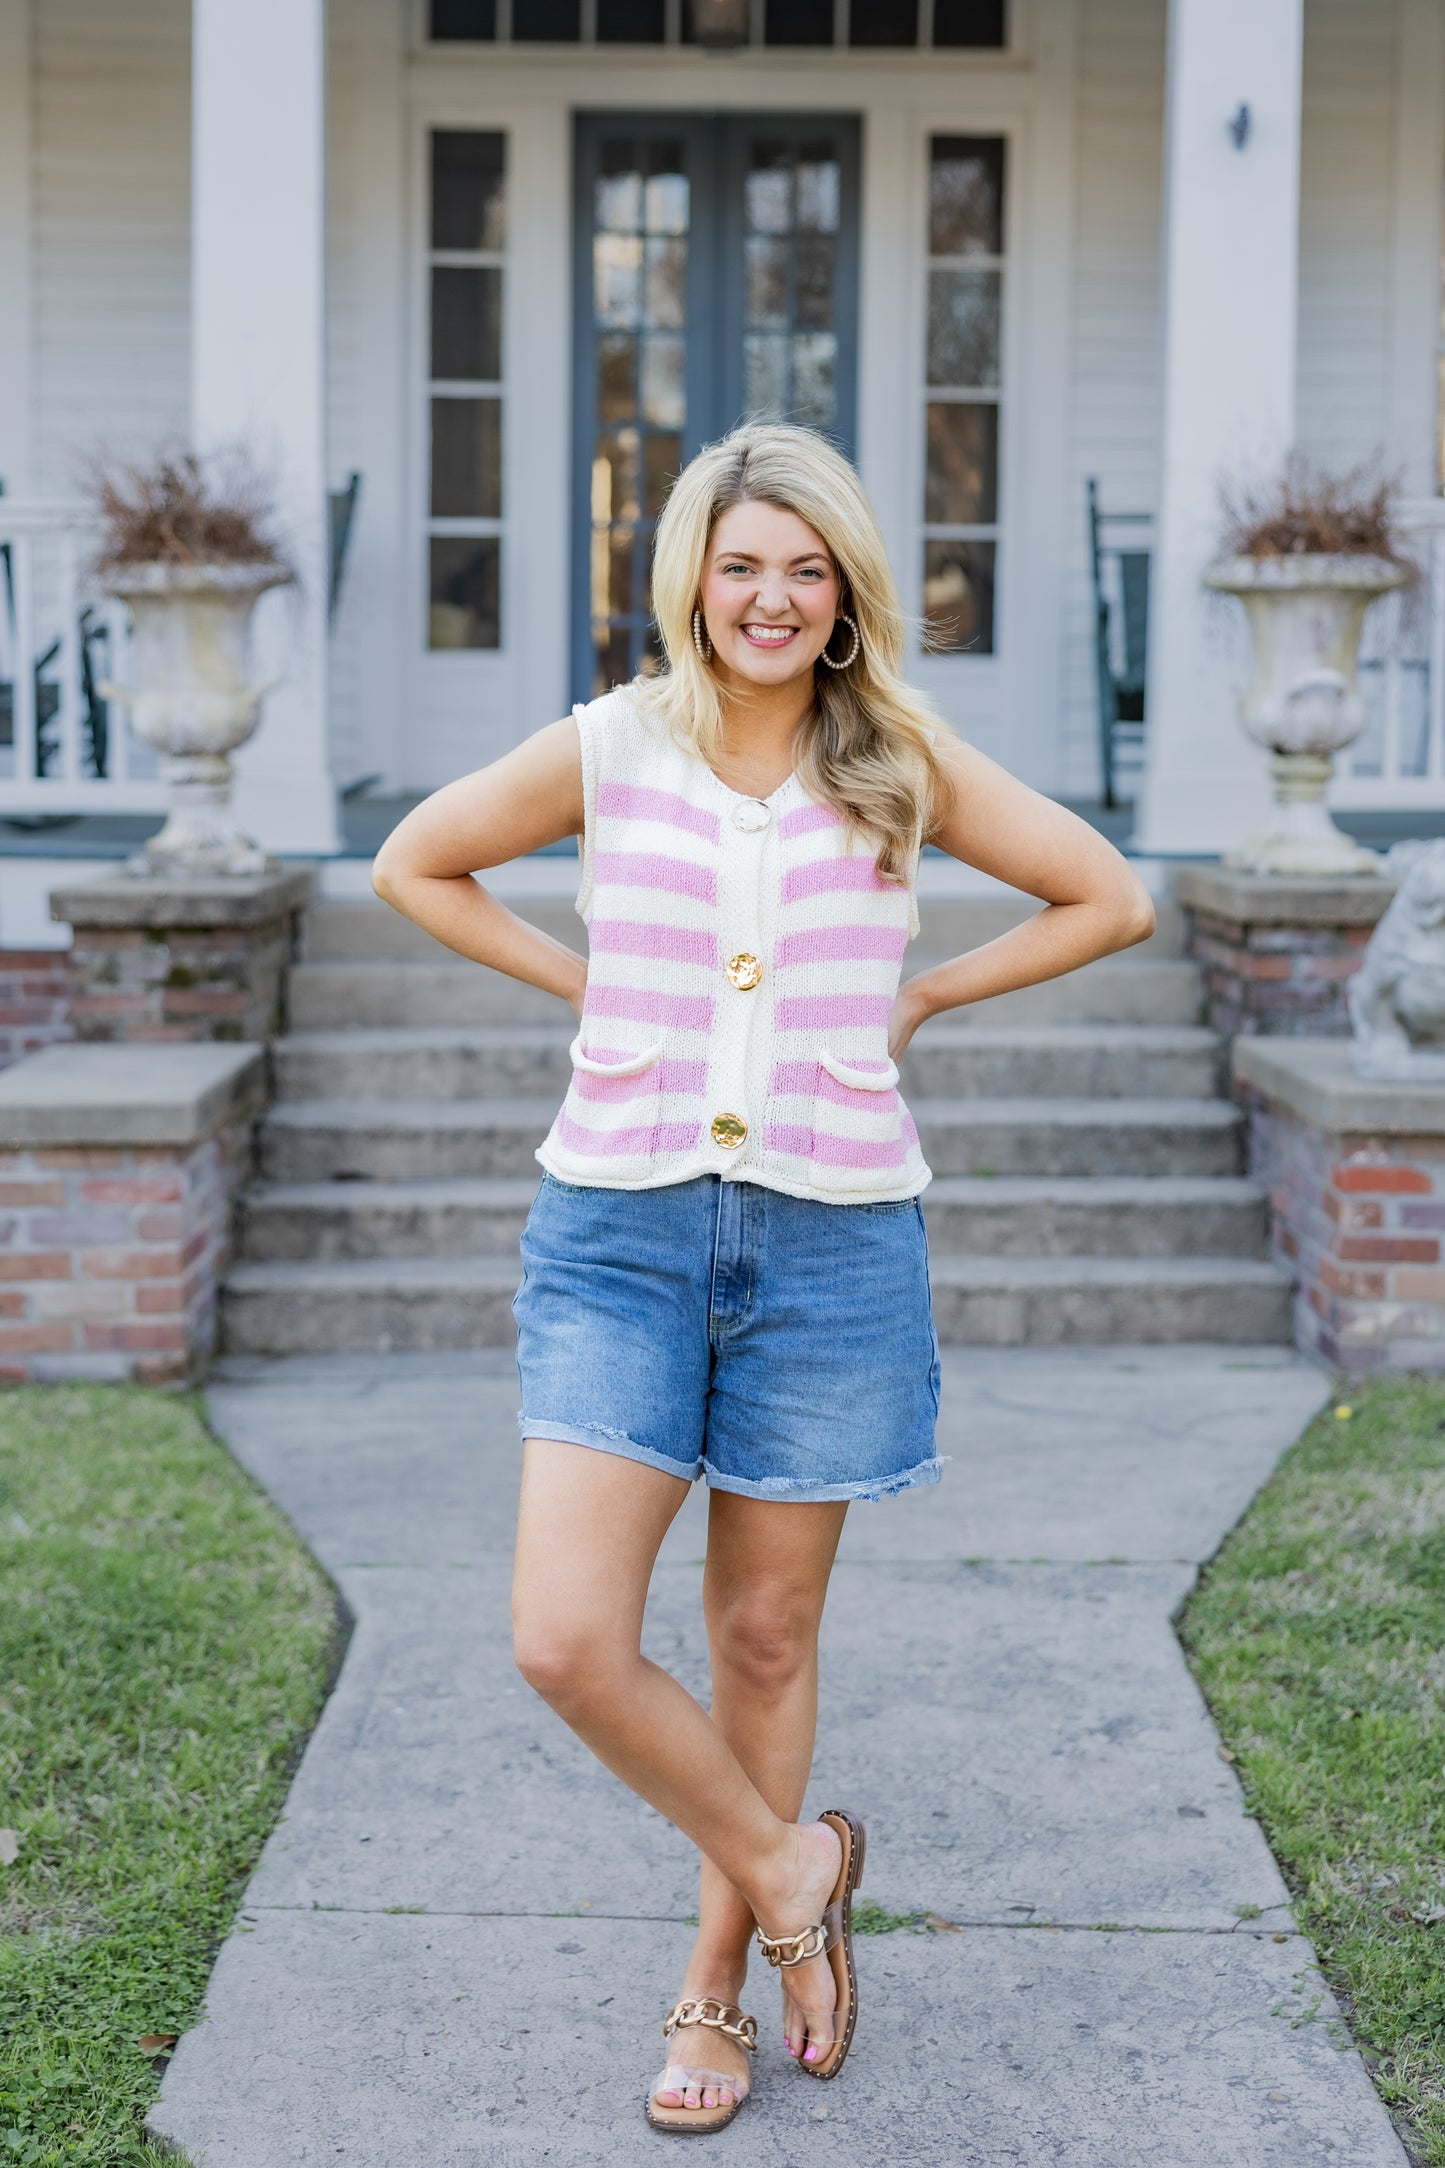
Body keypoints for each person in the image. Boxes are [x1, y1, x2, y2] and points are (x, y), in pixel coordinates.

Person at [372, 422, 1154, 2136]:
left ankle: (714, 1988)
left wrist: (931, 996)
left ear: (845, 589)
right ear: (691, 579)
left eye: (806, 569)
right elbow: (413, 861)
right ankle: (800, 1872)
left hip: (831, 1237)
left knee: (762, 1633)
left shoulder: (900, 759)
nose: (771, 598)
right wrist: (577, 981)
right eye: (742, 565)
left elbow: (1108, 898)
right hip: (619, 1233)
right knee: (566, 1638)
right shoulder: (615, 742)